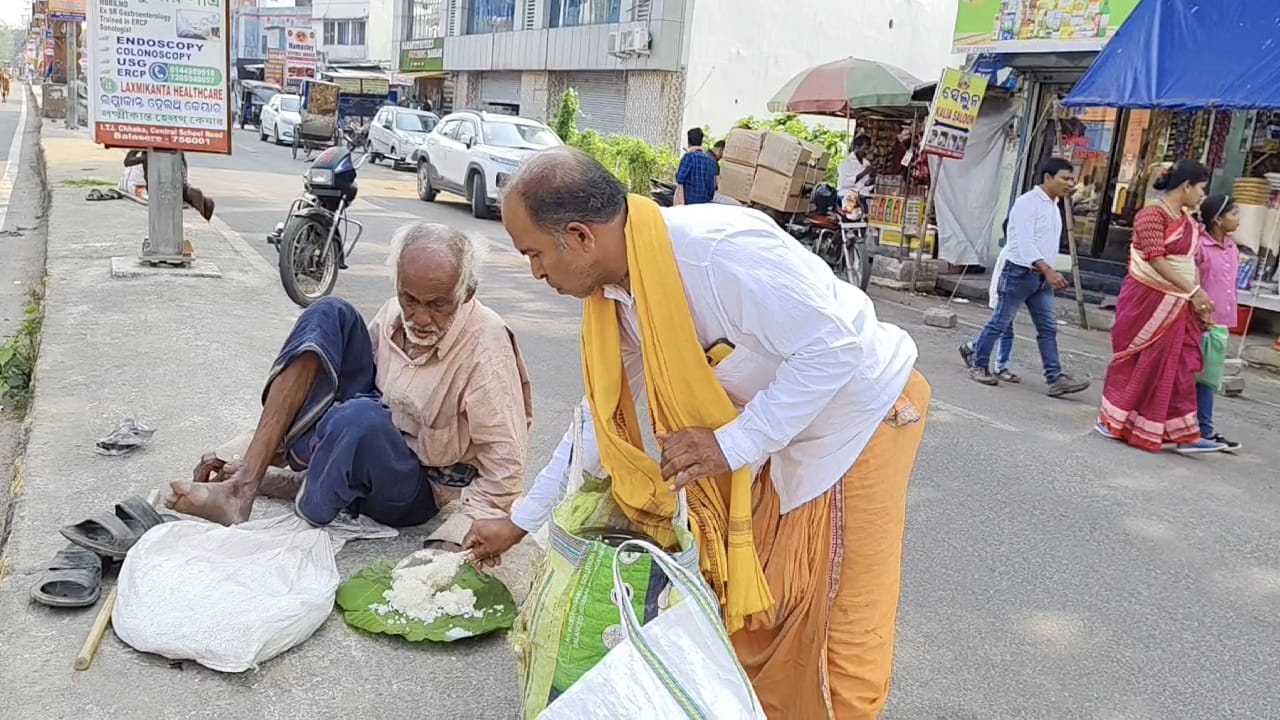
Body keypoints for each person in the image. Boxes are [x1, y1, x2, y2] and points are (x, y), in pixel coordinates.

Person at [474, 147, 930, 718]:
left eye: (535, 255)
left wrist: (731, 445)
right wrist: (520, 521)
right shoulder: (624, 289)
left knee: (834, 623)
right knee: (764, 606)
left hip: (863, 417)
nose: (536, 273)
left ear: (580, 237)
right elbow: (601, 417)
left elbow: (835, 348)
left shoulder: (715, 254)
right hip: (786, 434)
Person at [168, 223, 535, 551]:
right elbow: (321, 387)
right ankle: (243, 486)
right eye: (410, 299)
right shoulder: (393, 313)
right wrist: (242, 453)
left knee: (358, 419)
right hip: (352, 441)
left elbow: (506, 465)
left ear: (467, 292)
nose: (421, 318)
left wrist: (455, 537)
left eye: (439, 305)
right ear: (398, 285)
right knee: (330, 314)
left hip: (411, 489)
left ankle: (306, 491)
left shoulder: (486, 345)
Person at [1096, 160, 1225, 454]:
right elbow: (1156, 258)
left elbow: (1188, 263)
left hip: (1178, 303)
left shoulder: (1187, 221)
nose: (1202, 196)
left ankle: (1174, 431)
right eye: (1201, 189)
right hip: (1147, 300)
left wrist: (1198, 296)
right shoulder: (1151, 215)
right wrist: (1191, 290)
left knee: (1177, 365)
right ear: (1186, 186)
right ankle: (1116, 420)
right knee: (1139, 361)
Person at [968, 157, 1090, 396]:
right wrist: (1048, 270)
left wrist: (1048, 272)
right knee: (1000, 323)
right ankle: (979, 363)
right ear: (1047, 178)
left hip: (1041, 278)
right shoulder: (1027, 203)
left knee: (1047, 328)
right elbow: (1023, 243)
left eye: (1072, 179)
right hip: (1020, 273)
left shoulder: (1054, 206)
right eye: (1065, 178)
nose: (1070, 184)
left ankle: (1055, 377)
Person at [1192, 193, 1242, 452]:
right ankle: (1198, 428)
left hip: (1221, 321)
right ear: (1218, 220)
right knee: (1193, 375)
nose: (1238, 220)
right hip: (1199, 320)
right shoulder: (1200, 245)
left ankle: (1205, 428)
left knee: (1209, 378)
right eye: (1234, 214)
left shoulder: (1232, 247)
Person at [960, 219, 1019, 382]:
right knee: (1004, 331)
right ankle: (1001, 366)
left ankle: (971, 347)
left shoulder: (1016, 250)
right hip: (1003, 295)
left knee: (1000, 329)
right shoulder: (1011, 252)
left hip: (1009, 296)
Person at [674, 127, 719, 205]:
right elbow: (714, 185)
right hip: (705, 204)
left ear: (689, 142)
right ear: (701, 141)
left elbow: (679, 179)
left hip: (689, 203)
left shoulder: (689, 157)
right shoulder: (711, 160)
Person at [837, 135, 875, 212]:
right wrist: (864, 173)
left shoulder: (866, 163)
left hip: (863, 196)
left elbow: (865, 183)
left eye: (868, 149)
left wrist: (872, 178)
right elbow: (845, 183)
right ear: (857, 147)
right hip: (848, 197)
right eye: (864, 149)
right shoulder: (847, 162)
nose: (866, 152)